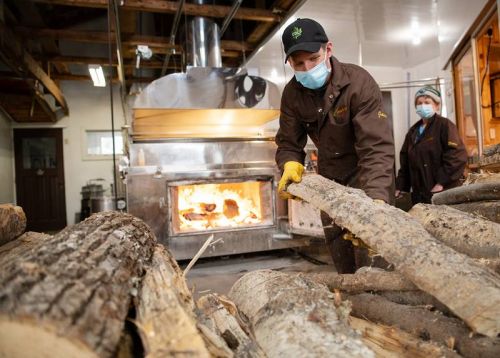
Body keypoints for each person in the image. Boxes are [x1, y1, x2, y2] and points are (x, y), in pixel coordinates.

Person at [275, 18, 395, 273]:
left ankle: (379, 302)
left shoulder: (358, 83)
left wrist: (377, 200)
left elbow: (375, 148)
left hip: (367, 175)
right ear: (289, 63)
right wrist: (289, 163)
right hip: (330, 178)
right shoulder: (292, 94)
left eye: (313, 59)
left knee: (372, 256)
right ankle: (351, 299)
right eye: (298, 63)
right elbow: (288, 142)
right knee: (341, 254)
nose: (306, 68)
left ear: (328, 49)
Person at [395, 86, 467, 204]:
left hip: (443, 191)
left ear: (437, 106)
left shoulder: (445, 125)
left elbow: (457, 156)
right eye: (419, 103)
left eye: (427, 102)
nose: (423, 106)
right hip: (420, 194)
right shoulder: (412, 132)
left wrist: (441, 182)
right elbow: (405, 164)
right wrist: (401, 187)